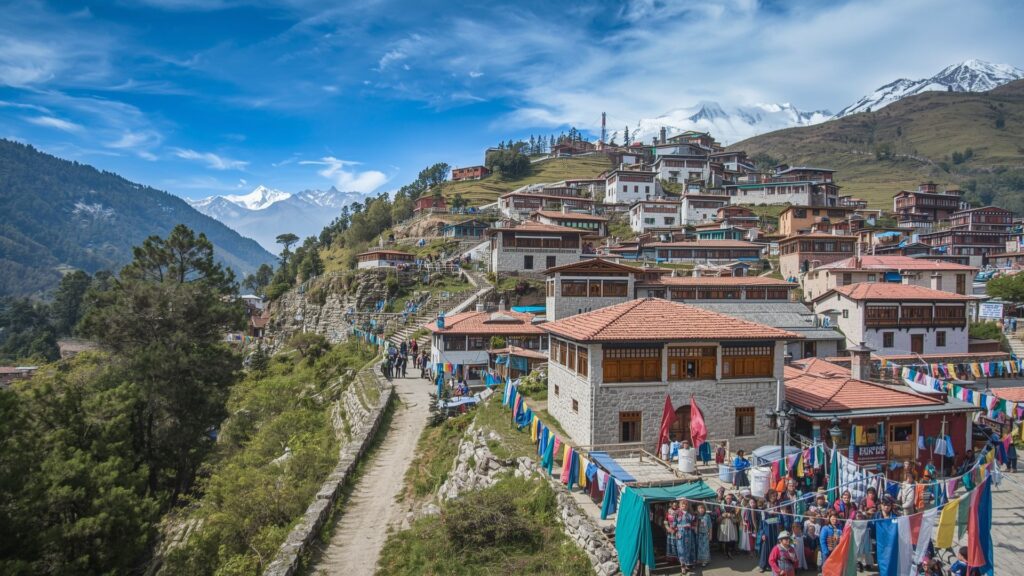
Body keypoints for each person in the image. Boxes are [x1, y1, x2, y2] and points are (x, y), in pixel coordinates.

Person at [758, 490, 785, 573]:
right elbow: (762, 521)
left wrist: (778, 514)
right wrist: (762, 533)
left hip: (775, 530)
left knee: (774, 547)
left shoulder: (777, 506)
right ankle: (763, 565)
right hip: (767, 529)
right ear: (769, 497)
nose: (774, 497)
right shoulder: (765, 506)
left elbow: (780, 519)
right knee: (765, 547)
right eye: (773, 496)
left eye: (775, 496)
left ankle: (771, 565)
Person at [674, 501, 696, 573]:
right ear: (680, 505)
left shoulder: (690, 514)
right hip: (680, 533)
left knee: (688, 549)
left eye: (686, 504)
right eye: (683, 504)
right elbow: (674, 524)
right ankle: (682, 566)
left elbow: (693, 523)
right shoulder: (677, 514)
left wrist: (692, 527)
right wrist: (676, 532)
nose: (684, 505)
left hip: (688, 534)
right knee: (681, 549)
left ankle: (687, 564)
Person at [695, 503, 712, 567]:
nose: (701, 509)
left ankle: (705, 560)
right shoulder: (697, 516)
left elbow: (710, 526)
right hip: (699, 534)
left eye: (702, 508)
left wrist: (710, 535)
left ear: (704, 509)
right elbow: (696, 524)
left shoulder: (707, 516)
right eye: (699, 508)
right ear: (697, 509)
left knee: (705, 548)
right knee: (699, 547)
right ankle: (700, 560)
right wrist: (696, 529)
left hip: (705, 534)